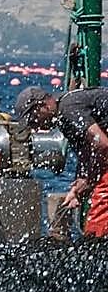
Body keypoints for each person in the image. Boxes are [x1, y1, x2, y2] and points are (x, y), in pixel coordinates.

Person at [15, 84, 108, 237]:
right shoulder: (63, 118)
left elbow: (102, 143)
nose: (36, 128)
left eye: (33, 121)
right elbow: (86, 152)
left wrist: (89, 179)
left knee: (102, 199)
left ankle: (98, 243)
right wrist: (79, 183)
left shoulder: (68, 109)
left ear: (42, 106)